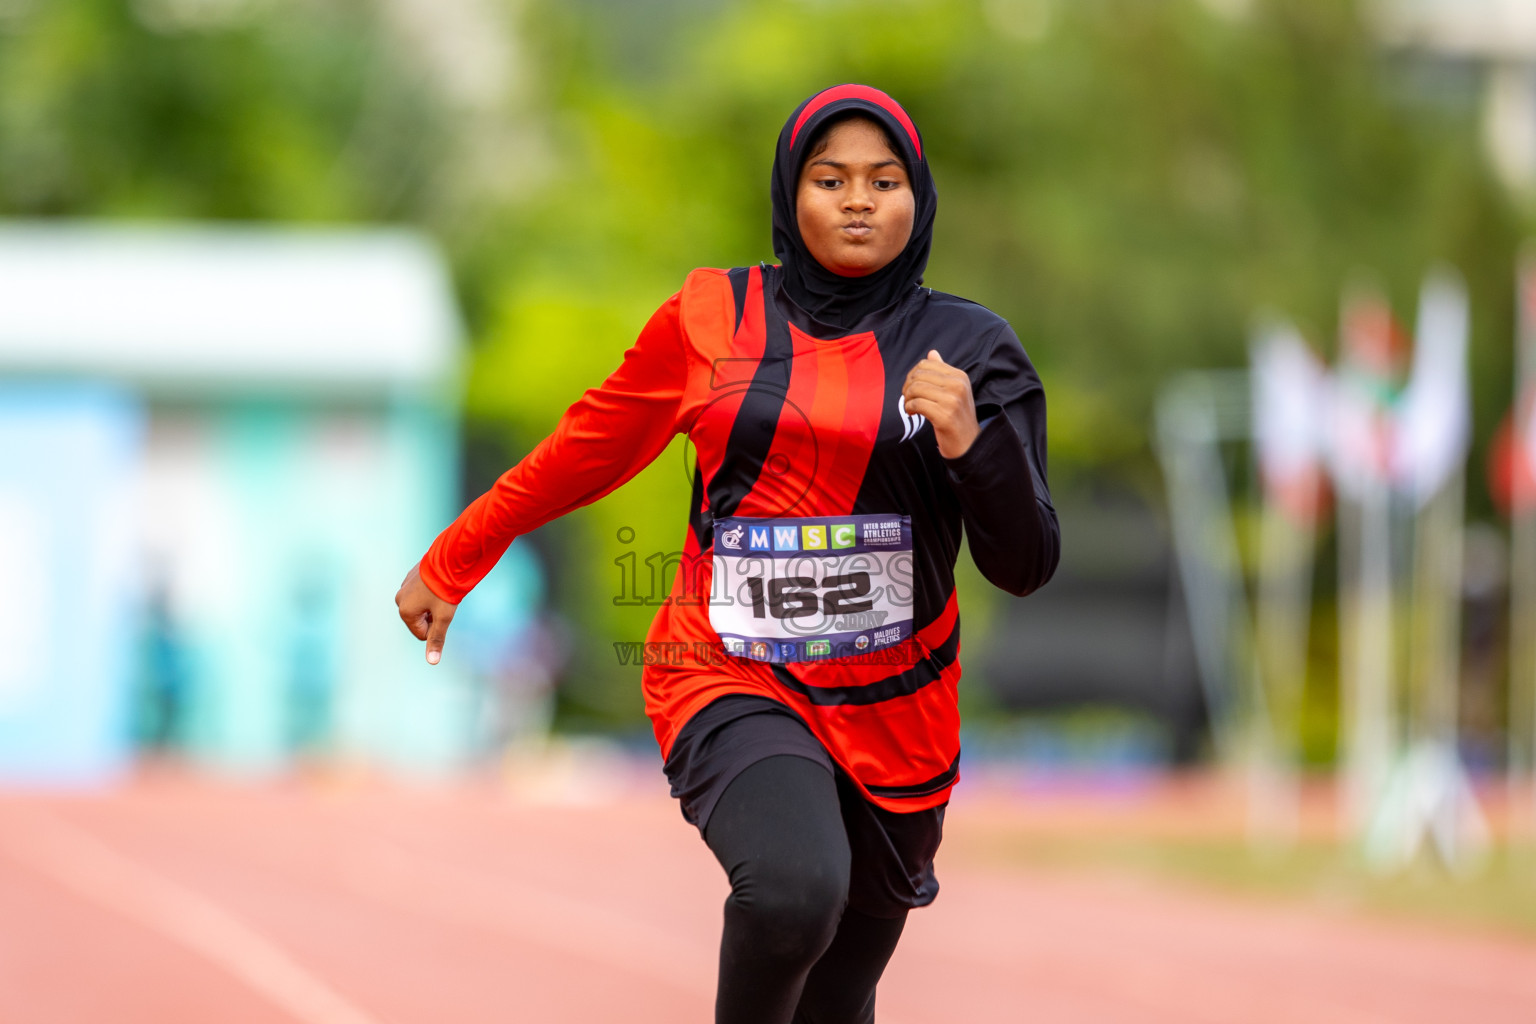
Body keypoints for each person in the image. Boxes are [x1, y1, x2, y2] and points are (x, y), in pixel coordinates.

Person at [395, 83, 1059, 1024]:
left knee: (838, 996)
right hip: (728, 672)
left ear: (920, 199)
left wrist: (972, 444)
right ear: (792, 191)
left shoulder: (970, 350)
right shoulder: (713, 319)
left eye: (884, 179)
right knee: (792, 893)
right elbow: (588, 448)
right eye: (831, 179)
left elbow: (1027, 561)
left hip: (897, 712)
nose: (859, 200)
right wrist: (456, 557)